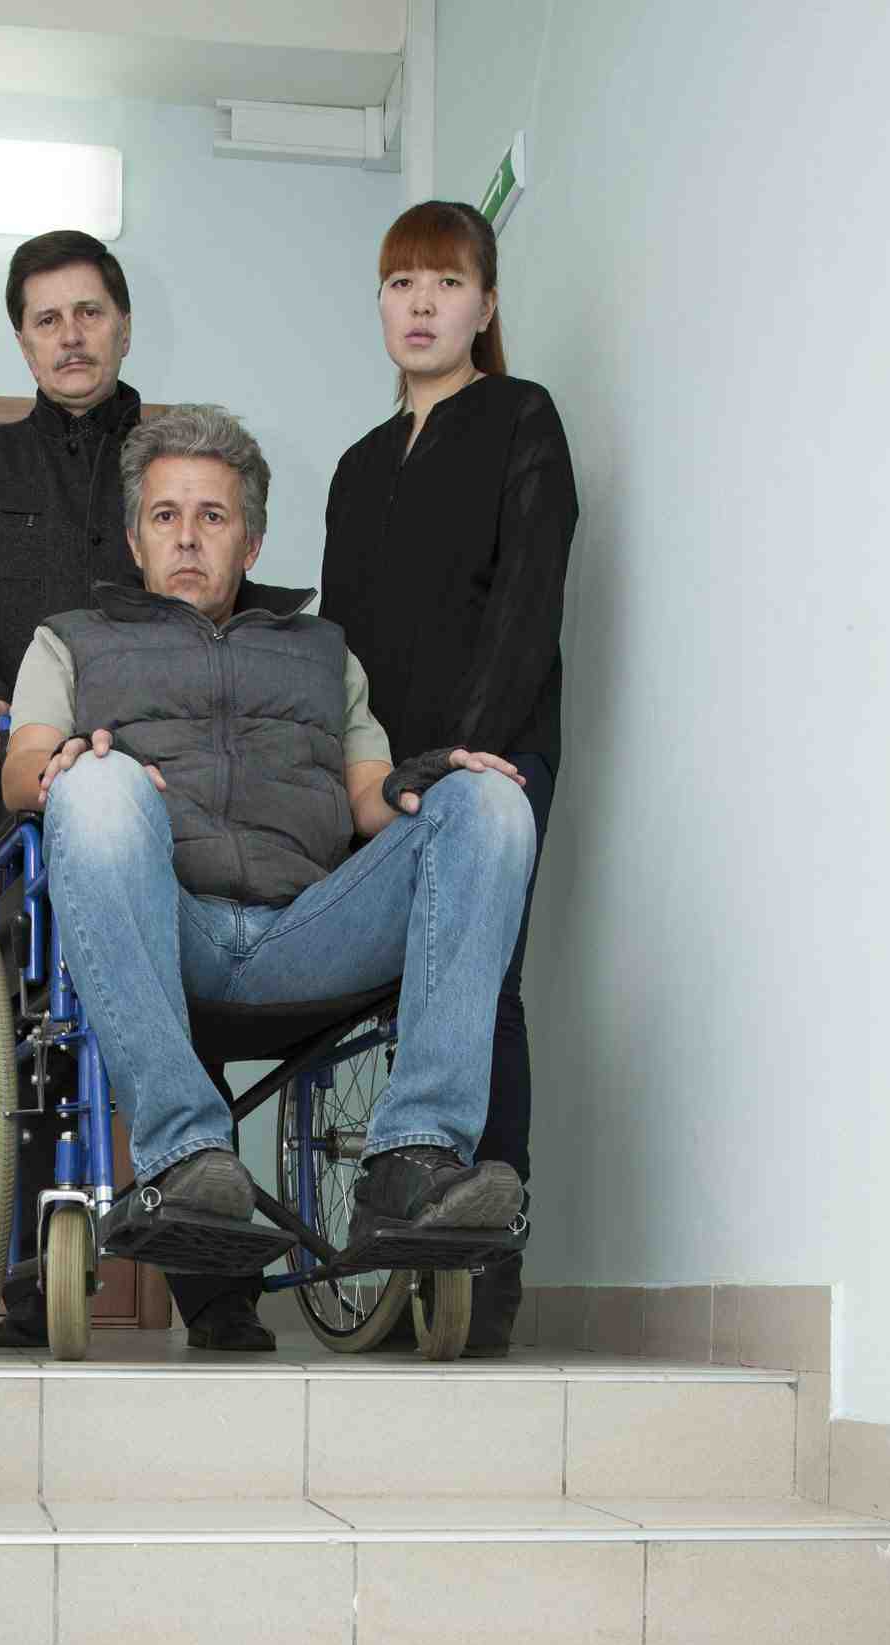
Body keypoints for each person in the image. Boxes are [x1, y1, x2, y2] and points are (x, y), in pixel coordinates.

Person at [1, 403, 536, 1288]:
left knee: (492, 800)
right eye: (165, 516)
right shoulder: (70, 641)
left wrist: (436, 780)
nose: (186, 538)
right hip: (165, 927)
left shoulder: (325, 653)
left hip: (308, 932)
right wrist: (68, 765)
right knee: (92, 782)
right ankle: (183, 1153)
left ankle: (414, 1155)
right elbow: (23, 768)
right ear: (134, 539)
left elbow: (372, 798)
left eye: (212, 517)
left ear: (249, 542)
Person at [0, 230, 265, 1351]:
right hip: (20, 790)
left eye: (89, 313)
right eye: (46, 319)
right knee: (31, 1042)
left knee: (189, 1010)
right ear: (23, 341)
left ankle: (216, 1293)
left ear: (123, 324)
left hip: (171, 783)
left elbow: (221, 597)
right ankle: (27, 1283)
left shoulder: (176, 459)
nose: (70, 337)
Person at [319, 199, 578, 1354]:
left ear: (485, 304)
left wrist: (464, 752)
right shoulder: (356, 466)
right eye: (400, 284)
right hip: (380, 770)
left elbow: (527, 602)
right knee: (386, 995)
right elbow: (339, 648)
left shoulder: (521, 419)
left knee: (484, 987)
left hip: (495, 757)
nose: (420, 304)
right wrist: (359, 773)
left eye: (445, 283)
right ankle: (396, 1249)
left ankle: (486, 1261)